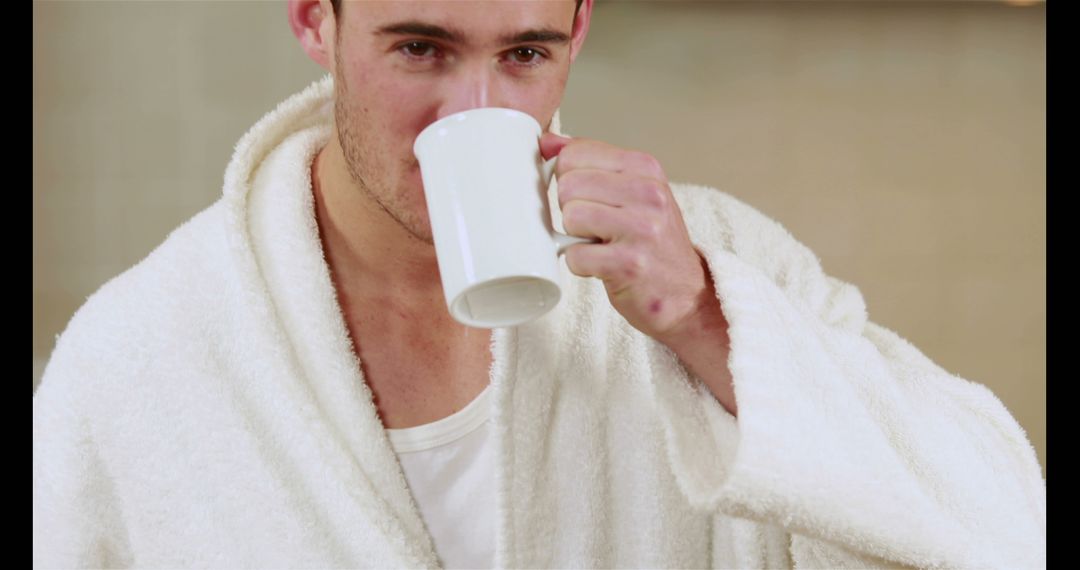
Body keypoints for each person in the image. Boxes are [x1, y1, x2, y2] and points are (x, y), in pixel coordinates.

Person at [33, 1, 1045, 568]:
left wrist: (705, 325)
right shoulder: (144, 353)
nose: (470, 109)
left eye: (524, 54)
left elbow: (1007, 529)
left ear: (578, 32)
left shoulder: (716, 263)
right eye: (419, 48)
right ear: (314, 20)